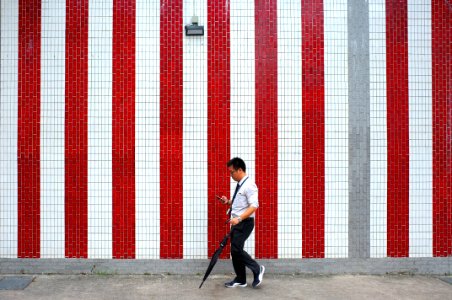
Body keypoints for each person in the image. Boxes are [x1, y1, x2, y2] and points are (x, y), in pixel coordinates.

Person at [220, 157, 265, 288]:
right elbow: (241, 204)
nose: (231, 175)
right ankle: (241, 279)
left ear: (240, 170)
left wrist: (239, 218)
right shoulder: (241, 185)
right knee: (234, 251)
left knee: (236, 249)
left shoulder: (249, 185)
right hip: (236, 222)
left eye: (232, 172)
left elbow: (254, 206)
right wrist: (228, 201)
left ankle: (257, 269)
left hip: (244, 222)